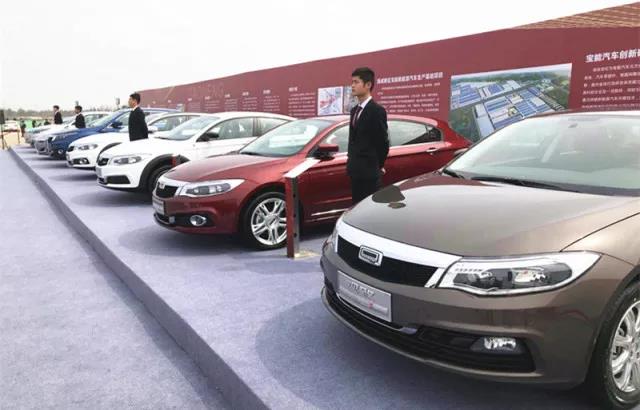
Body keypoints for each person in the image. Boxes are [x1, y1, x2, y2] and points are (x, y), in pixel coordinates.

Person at [346, 67, 389, 204]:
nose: (352, 86)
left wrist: (378, 165)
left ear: (368, 84)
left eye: (356, 82)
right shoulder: (354, 110)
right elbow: (353, 140)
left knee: (368, 208)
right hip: (355, 171)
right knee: (356, 207)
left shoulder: (377, 111)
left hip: (369, 173)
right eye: (352, 82)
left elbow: (382, 142)